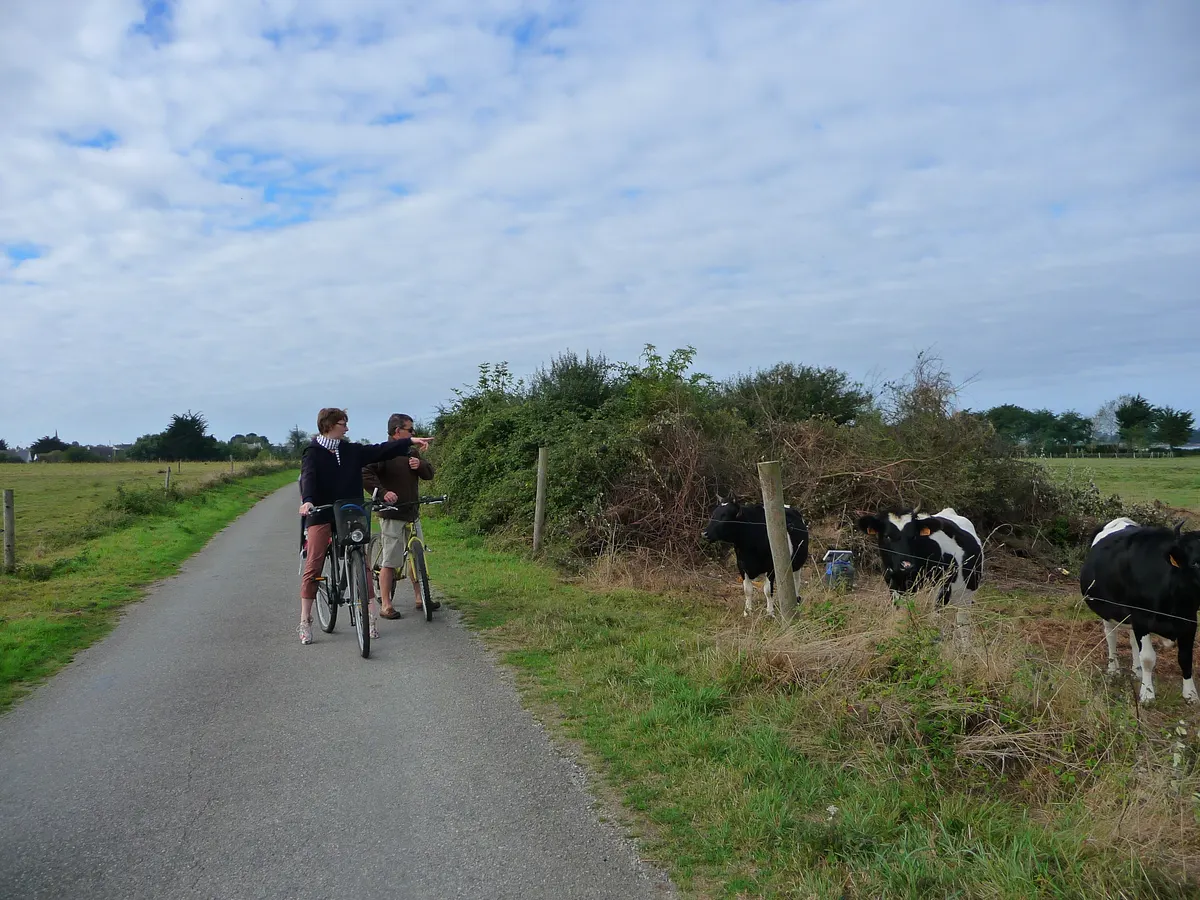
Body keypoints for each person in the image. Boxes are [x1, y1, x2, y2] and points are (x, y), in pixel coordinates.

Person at [297, 407, 430, 645]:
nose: (347, 427)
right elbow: (308, 477)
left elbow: (380, 450)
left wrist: (409, 440)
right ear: (328, 425)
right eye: (342, 423)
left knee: (363, 563)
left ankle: (369, 618)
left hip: (349, 509)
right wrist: (307, 502)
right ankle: (305, 620)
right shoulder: (313, 452)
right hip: (321, 511)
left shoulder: (350, 450)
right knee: (314, 564)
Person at [363, 413, 437, 619]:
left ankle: (421, 597)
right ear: (398, 431)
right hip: (392, 514)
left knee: (417, 554)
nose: (413, 433)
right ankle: (386, 604)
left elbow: (429, 474)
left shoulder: (410, 451)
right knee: (391, 560)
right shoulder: (383, 452)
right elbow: (365, 473)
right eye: (410, 430)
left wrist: (419, 465)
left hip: (412, 511)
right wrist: (383, 492)